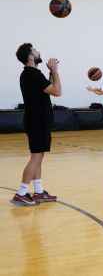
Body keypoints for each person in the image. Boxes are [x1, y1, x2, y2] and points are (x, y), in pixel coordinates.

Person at [12, 43, 61, 206]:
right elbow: (57, 91)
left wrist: (49, 74)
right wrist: (54, 71)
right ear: (30, 56)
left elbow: (46, 89)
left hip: (36, 120)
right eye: (35, 50)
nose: (39, 51)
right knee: (35, 157)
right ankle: (21, 193)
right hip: (37, 121)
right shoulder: (32, 74)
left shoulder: (29, 74)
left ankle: (39, 192)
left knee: (39, 156)